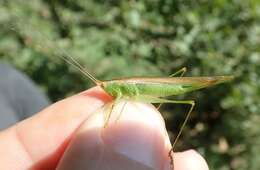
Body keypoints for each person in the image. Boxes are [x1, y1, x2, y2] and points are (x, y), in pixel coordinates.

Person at [0, 63, 209, 170]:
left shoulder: (122, 89)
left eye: (105, 87)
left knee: (188, 103)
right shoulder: (115, 90)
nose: (105, 90)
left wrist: (109, 124)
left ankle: (171, 150)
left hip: (155, 88)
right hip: (142, 91)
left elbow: (119, 105)